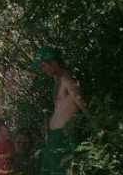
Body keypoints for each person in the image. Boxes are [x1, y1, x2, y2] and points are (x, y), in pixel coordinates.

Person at [34, 47, 85, 175]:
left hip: (63, 137)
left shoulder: (67, 79)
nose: (43, 69)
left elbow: (81, 104)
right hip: (53, 137)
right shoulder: (56, 80)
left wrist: (96, 128)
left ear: (54, 63)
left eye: (44, 65)